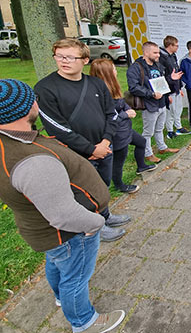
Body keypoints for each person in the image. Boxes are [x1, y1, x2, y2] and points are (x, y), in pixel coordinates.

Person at [0, 79, 126, 332]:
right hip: (69, 234)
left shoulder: (12, 143)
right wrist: (95, 223)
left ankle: (60, 297)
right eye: (32, 99)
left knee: (57, 264)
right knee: (76, 277)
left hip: (43, 232)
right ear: (24, 109)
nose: (37, 102)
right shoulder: (32, 161)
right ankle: (84, 321)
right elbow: (63, 215)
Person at [35, 38, 129, 242]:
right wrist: (90, 149)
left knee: (101, 187)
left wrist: (105, 142)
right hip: (75, 154)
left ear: (85, 60)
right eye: (59, 56)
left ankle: (105, 216)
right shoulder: (45, 88)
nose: (64, 61)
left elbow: (111, 115)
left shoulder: (96, 84)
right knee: (83, 192)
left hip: (104, 148)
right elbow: (57, 127)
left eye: (70, 56)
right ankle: (93, 226)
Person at [89, 59, 157, 192]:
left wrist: (126, 108)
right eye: (113, 69)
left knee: (141, 142)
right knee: (118, 161)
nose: (116, 71)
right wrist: (126, 114)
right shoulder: (101, 95)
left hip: (126, 129)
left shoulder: (112, 87)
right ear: (106, 73)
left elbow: (121, 102)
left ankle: (141, 166)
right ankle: (120, 185)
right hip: (117, 133)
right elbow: (109, 118)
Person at [126, 41, 180, 164]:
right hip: (149, 104)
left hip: (161, 103)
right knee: (148, 131)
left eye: (158, 53)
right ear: (146, 52)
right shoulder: (136, 68)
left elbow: (160, 81)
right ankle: (148, 153)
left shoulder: (157, 65)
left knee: (160, 128)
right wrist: (151, 94)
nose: (158, 55)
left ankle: (162, 147)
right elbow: (133, 87)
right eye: (155, 53)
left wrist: (170, 79)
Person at [159, 35, 191, 139]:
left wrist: (180, 88)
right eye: (176, 46)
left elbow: (177, 72)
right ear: (169, 45)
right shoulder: (162, 58)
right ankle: (170, 130)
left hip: (176, 88)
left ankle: (179, 127)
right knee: (170, 112)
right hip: (169, 90)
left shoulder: (173, 56)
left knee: (178, 110)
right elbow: (162, 77)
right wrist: (166, 94)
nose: (177, 47)